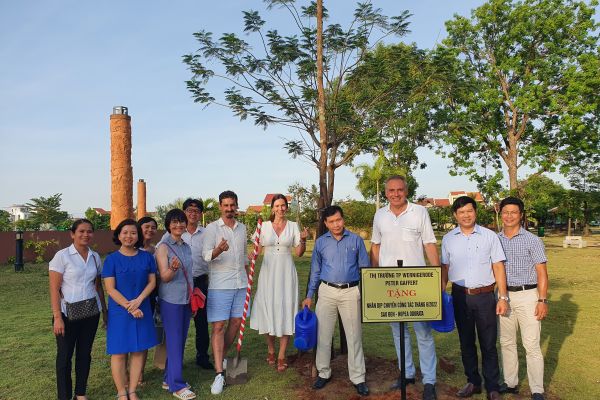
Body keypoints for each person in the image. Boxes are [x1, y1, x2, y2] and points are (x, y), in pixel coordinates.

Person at [370, 175, 440, 400]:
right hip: (389, 282)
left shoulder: (420, 212)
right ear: (386, 192)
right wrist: (373, 277)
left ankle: (429, 380)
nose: (395, 194)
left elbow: (429, 243)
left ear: (406, 191)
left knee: (423, 331)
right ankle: (407, 373)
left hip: (417, 281)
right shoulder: (380, 214)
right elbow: (375, 246)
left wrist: (436, 275)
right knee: (398, 331)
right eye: (391, 190)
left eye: (399, 190)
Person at [441, 196, 508, 400]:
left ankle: (492, 386)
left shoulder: (489, 236)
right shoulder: (448, 239)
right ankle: (473, 382)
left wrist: (503, 297)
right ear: (455, 215)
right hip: (460, 296)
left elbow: (498, 266)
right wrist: (441, 294)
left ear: (475, 212)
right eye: (461, 212)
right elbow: (445, 268)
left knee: (488, 343)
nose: (466, 215)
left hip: (485, 296)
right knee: (466, 342)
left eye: (469, 211)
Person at [301, 205, 370, 397]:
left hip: (350, 291)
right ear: (325, 223)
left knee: (354, 335)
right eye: (331, 222)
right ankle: (323, 372)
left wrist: (366, 295)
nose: (336, 224)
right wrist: (309, 295)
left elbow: (365, 269)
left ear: (343, 219)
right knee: (324, 334)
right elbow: (315, 270)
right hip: (326, 291)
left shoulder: (356, 240)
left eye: (338, 220)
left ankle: (358, 377)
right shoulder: (321, 243)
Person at [49, 219, 107, 400]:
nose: (85, 235)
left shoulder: (95, 256)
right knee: (65, 357)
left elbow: (98, 286)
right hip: (67, 314)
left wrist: (104, 311)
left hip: (91, 312)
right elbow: (54, 288)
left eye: (89, 231)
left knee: (84, 354)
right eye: (81, 231)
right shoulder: (62, 256)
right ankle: (64, 396)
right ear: (72, 234)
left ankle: (80, 393)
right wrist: (57, 317)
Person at [497, 197, 548, 400]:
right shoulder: (495, 239)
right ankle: (510, 383)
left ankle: (537, 389)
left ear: (521, 215)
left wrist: (542, 300)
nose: (509, 216)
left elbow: (542, 272)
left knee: (531, 344)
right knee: (507, 342)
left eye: (514, 212)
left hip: (528, 295)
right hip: (503, 296)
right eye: (506, 212)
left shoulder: (532, 240)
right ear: (501, 214)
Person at [250, 193, 308, 372]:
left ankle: (282, 354)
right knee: (266, 308)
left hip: (286, 273)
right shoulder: (263, 226)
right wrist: (254, 250)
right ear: (272, 208)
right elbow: (257, 251)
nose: (280, 208)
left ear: (287, 207)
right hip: (268, 273)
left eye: (283, 205)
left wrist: (304, 239)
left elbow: (298, 253)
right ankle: (270, 349)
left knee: (286, 309)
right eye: (277, 206)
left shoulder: (293, 226)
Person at [102, 219, 159, 400]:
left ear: (138, 236)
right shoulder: (111, 259)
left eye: (133, 233)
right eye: (125, 232)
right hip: (120, 312)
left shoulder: (147, 257)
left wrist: (139, 300)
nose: (129, 236)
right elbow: (110, 289)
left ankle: (132, 389)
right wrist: (129, 306)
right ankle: (121, 392)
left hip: (142, 308)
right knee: (119, 352)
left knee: (139, 350)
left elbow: (152, 282)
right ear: (118, 235)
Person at [202, 190, 247, 395]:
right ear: (220, 206)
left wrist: (248, 279)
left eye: (232, 205)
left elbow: (244, 257)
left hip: (241, 284)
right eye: (226, 205)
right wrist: (218, 250)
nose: (229, 209)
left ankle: (222, 356)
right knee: (219, 326)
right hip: (220, 285)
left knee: (236, 323)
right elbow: (206, 256)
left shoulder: (242, 229)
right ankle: (219, 373)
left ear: (236, 206)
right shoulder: (211, 229)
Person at [155, 209, 197, 400]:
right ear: (168, 225)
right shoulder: (163, 247)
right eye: (174, 222)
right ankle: (177, 385)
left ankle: (168, 378)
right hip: (170, 300)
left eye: (181, 221)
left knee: (179, 339)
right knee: (174, 341)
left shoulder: (186, 246)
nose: (178, 225)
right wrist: (171, 269)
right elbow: (164, 277)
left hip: (186, 299)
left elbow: (190, 273)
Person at [181, 198, 213, 370]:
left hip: (201, 281)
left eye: (196, 210)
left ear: (201, 214)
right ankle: (177, 358)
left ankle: (202, 356)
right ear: (184, 212)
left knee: (202, 322)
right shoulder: (177, 231)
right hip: (180, 283)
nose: (192, 213)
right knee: (180, 321)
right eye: (189, 210)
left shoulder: (207, 233)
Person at [137, 216, 159, 385]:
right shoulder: (129, 247)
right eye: (147, 227)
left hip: (148, 296)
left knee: (143, 334)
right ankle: (125, 372)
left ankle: (139, 373)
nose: (150, 230)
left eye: (153, 227)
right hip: (128, 298)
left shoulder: (154, 250)